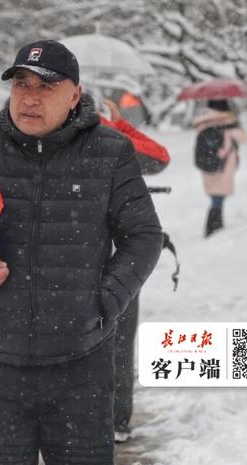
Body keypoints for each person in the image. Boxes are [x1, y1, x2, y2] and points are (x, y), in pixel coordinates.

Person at [0, 39, 163, 465]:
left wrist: (104, 302)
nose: (29, 97)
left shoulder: (110, 152)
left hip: (80, 368)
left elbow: (144, 236)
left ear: (75, 95)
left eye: (46, 87)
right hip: (0, 370)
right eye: (21, 84)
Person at [100, 98, 171, 442]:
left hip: (77, 255)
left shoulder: (52, 142)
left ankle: (92, 418)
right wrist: (120, 126)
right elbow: (159, 157)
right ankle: (115, 419)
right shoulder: (115, 142)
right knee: (120, 340)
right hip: (122, 256)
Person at [193, 99, 247, 237]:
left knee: (216, 197)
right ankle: (214, 228)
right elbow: (243, 138)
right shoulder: (228, 124)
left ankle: (214, 226)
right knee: (218, 199)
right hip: (222, 166)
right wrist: (234, 125)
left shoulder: (203, 122)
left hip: (208, 165)